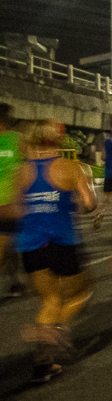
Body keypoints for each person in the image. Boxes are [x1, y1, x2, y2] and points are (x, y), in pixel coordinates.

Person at [15, 120, 97, 384]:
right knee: (81, 293)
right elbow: (89, 203)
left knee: (49, 300)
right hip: (62, 241)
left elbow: (18, 209)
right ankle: (51, 331)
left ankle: (43, 364)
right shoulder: (71, 167)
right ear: (56, 139)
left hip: (30, 245)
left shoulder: (21, 172)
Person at [0, 103, 27, 298]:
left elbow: (27, 168)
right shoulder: (18, 140)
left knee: (8, 247)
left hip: (11, 203)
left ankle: (16, 282)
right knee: (5, 247)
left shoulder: (17, 140)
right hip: (9, 203)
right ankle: (16, 282)